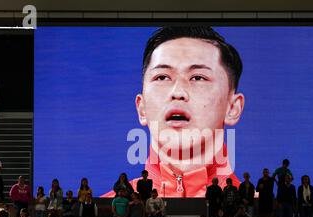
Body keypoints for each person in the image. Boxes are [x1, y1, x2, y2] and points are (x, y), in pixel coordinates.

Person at [100, 26, 244, 198]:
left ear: (232, 108)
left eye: (198, 77)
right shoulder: (107, 207)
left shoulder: (253, 208)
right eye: (162, 77)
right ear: (142, 107)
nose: (178, 92)